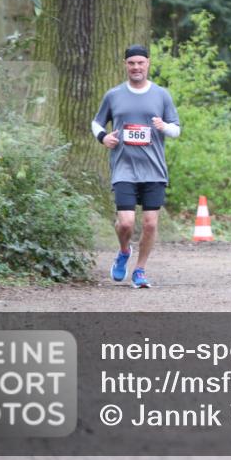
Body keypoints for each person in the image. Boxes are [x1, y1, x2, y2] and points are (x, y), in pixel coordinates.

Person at [92, 45, 181, 289]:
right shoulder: (114, 95)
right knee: (127, 223)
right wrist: (103, 138)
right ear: (125, 65)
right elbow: (97, 123)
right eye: (131, 63)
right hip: (124, 168)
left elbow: (177, 128)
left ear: (148, 63)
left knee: (151, 223)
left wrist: (164, 127)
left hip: (153, 169)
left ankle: (140, 270)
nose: (136, 67)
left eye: (140, 63)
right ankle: (123, 251)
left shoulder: (161, 95)